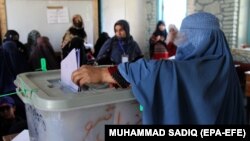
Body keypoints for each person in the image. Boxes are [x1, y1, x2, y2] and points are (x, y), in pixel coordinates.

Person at [72, 12, 245, 124]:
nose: (184, 41)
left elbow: (161, 71)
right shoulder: (225, 67)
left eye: (188, 36)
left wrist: (104, 73)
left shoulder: (193, 70)